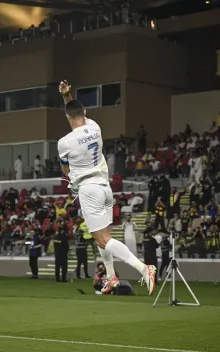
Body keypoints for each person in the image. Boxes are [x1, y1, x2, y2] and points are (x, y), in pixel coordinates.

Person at [58, 80, 156, 295]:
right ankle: (111, 277)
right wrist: (67, 95)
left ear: (67, 117)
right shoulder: (95, 127)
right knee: (101, 238)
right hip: (105, 187)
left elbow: (66, 170)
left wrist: (70, 176)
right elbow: (74, 113)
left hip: (88, 189)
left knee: (104, 239)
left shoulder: (64, 142)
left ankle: (143, 269)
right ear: (84, 112)